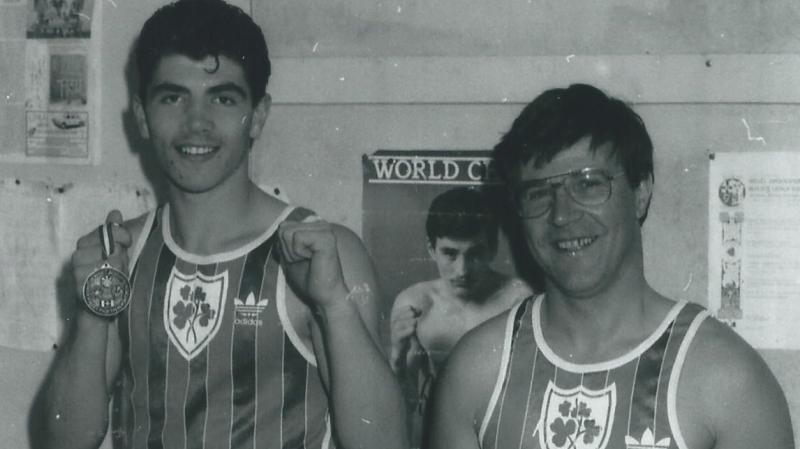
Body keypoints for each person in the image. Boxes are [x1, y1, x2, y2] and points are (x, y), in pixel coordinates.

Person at [35, 1, 407, 448]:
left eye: (223, 99)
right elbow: (62, 443)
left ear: (259, 115)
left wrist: (335, 305)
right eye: (172, 98)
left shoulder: (323, 253)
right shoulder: (123, 254)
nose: (197, 124)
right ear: (141, 117)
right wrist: (93, 315)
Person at [425, 84, 794, 449]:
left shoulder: (727, 378)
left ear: (641, 192)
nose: (562, 215)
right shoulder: (476, 370)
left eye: (587, 184)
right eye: (538, 192)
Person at [390, 187, 531, 445]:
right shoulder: (417, 303)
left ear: (492, 248)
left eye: (475, 254)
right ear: (432, 249)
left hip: (503, 428)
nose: (462, 269)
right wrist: (398, 355)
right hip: (438, 429)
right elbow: (405, 403)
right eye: (450, 253)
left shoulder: (520, 300)